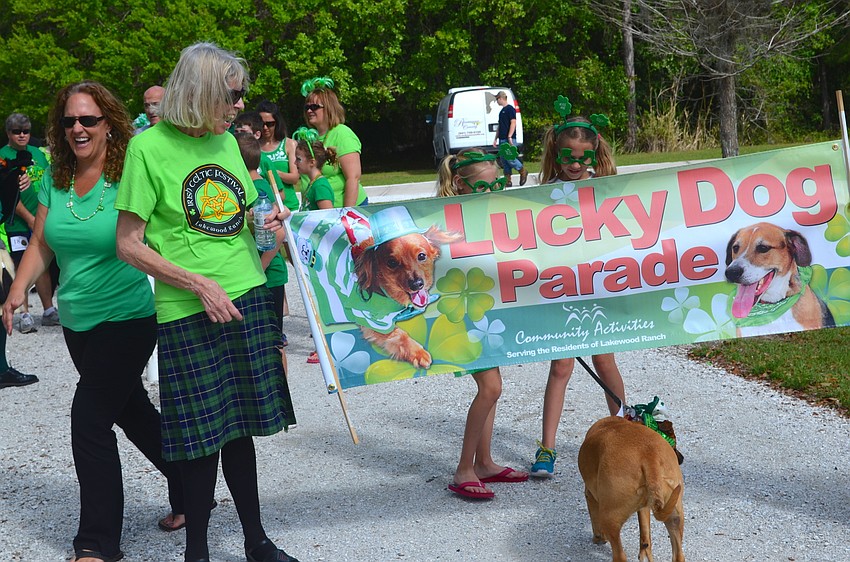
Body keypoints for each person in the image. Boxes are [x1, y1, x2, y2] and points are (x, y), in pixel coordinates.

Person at [114, 42, 298, 562]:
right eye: (233, 95)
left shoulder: (224, 144)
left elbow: (235, 218)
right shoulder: (148, 149)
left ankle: (256, 541)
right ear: (201, 92)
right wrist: (197, 283)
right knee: (198, 441)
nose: (241, 106)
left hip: (246, 296)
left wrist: (267, 227)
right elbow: (128, 242)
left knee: (241, 430)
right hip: (191, 310)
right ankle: (198, 553)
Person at [1, 80, 185, 562]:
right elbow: (41, 243)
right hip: (78, 325)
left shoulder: (130, 175)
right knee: (132, 412)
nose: (77, 129)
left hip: (127, 319)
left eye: (88, 120)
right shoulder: (55, 180)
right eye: (68, 121)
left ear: (109, 124)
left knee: (88, 420)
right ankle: (190, 486)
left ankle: (97, 543)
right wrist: (18, 289)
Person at [530, 98, 625, 478]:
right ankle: (547, 448)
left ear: (594, 155)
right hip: (560, 290)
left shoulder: (604, 190)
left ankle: (623, 432)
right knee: (561, 366)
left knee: (604, 360)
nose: (575, 164)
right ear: (556, 153)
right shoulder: (540, 194)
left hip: (597, 287)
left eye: (583, 158)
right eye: (568, 156)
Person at [435, 148, 529, 500]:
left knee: (494, 385)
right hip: (462, 315)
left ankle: (485, 461)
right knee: (490, 388)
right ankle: (464, 469)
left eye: (499, 186)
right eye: (485, 187)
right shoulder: (447, 221)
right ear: (460, 184)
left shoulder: (489, 217)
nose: (494, 194)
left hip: (487, 313)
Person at [234, 131, 293, 378]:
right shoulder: (259, 184)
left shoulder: (256, 191)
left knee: (272, 343)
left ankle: (280, 394)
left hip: (267, 275)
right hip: (266, 273)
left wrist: (257, 269)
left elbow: (278, 235)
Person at [2, 113, 57, 332]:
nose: (22, 135)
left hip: (41, 218)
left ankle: (48, 310)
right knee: (20, 264)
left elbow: (49, 185)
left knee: (41, 264)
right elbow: (8, 196)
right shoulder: (3, 157)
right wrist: (31, 219)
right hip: (18, 222)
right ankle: (24, 313)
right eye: (17, 131)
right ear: (8, 133)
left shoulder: (38, 154)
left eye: (26, 131)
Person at [300, 77, 368, 207]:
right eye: (307, 107)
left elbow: (353, 178)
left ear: (329, 108)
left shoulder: (342, 134)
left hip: (342, 209)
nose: (309, 111)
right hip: (318, 210)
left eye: (314, 107)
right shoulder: (309, 137)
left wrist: (347, 213)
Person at [256, 101, 299, 212]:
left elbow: (295, 178)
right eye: (261, 124)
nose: (265, 127)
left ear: (277, 123)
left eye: (270, 124)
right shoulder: (253, 147)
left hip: (289, 206)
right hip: (265, 208)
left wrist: (272, 173)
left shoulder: (289, 144)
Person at [292, 128, 335, 211]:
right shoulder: (313, 183)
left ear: (312, 162)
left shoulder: (320, 187)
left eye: (298, 159)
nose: (295, 163)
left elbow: (328, 217)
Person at [492, 91, 528, 187]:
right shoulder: (501, 112)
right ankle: (508, 180)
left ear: (501, 98)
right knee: (504, 160)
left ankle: (522, 170)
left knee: (510, 158)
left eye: (497, 99)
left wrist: (510, 136)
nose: (497, 101)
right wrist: (496, 138)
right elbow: (500, 126)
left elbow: (513, 122)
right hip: (502, 139)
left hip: (509, 139)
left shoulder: (510, 109)